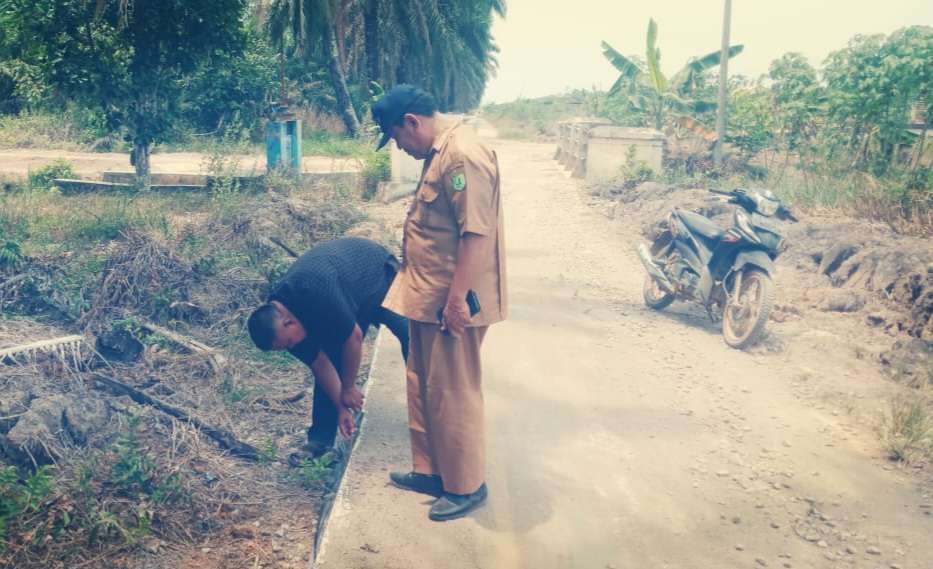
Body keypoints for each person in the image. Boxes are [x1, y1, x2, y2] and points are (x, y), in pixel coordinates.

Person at [371, 85, 507, 521]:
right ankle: (432, 472)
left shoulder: (462, 154)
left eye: (396, 138)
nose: (400, 147)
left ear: (411, 122)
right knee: (424, 383)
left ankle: (466, 486)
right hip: (427, 296)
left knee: (453, 391)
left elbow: (476, 234)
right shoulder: (439, 149)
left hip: (453, 301)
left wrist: (455, 301)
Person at [247, 237, 409, 460]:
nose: (291, 347)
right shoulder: (281, 328)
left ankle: (428, 406)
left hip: (377, 275)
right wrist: (342, 407)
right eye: (285, 347)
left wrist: (349, 387)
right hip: (346, 295)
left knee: (411, 335)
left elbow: (353, 338)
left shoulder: (316, 289)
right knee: (331, 354)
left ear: (289, 323)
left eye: (289, 344)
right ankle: (320, 441)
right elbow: (321, 365)